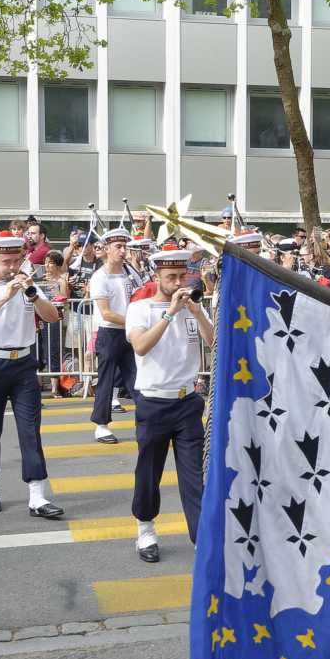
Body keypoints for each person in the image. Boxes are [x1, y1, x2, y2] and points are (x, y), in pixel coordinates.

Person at [0, 232, 67, 518]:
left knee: (30, 430)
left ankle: (37, 495)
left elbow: (52, 317)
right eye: (5, 261)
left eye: (16, 260)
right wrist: (5, 297)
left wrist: (32, 294)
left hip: (23, 363)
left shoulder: (26, 284)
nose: (11, 266)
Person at [122, 245, 212, 564]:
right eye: (170, 277)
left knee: (193, 474)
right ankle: (145, 527)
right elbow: (141, 346)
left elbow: (213, 341)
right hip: (154, 401)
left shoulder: (193, 307)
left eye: (181, 276)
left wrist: (198, 311)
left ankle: (202, 538)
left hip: (187, 401)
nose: (177, 283)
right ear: (156, 277)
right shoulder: (141, 308)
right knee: (149, 471)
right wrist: (170, 313)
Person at [85, 229, 139, 444]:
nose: (123, 251)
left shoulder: (129, 273)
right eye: (118, 246)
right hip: (109, 333)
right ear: (106, 249)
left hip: (129, 332)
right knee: (106, 380)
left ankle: (146, 421)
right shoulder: (100, 277)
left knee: (137, 379)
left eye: (125, 246)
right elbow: (106, 312)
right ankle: (101, 425)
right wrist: (136, 322)